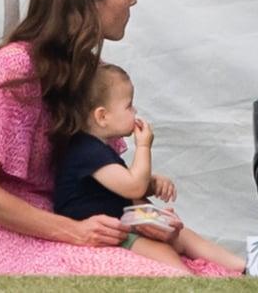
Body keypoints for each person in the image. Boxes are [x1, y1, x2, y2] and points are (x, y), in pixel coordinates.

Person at [0, 0, 238, 276]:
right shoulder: (12, 68)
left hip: (85, 227)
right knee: (167, 276)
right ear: (87, 1)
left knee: (207, 270)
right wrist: (73, 232)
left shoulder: (86, 73)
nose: (132, 1)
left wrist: (146, 218)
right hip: (14, 241)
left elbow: (108, 184)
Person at [54, 62, 245, 273]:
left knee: (184, 236)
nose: (135, 111)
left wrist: (153, 192)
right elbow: (133, 187)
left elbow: (123, 187)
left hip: (122, 223)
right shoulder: (86, 150)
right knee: (161, 251)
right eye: (129, 106)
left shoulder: (97, 148)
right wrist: (144, 146)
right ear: (102, 116)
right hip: (103, 235)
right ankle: (189, 279)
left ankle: (244, 267)